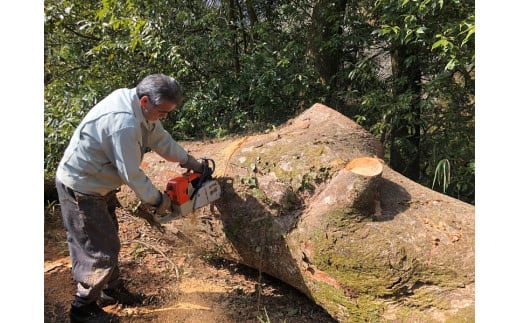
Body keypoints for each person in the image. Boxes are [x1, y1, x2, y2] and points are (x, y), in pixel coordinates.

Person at [55, 74, 205, 322]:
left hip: (99, 181)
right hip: (82, 186)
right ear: (145, 100)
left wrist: (189, 161)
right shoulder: (124, 124)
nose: (164, 117)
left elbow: (160, 138)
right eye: (162, 112)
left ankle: (109, 291)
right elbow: (132, 174)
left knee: (107, 236)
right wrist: (159, 200)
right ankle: (82, 308)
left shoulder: (138, 105)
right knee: (98, 248)